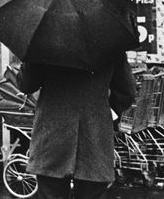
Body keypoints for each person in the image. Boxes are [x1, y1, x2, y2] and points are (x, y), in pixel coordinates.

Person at [18, 52, 137, 199]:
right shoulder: (111, 42)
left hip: (51, 138)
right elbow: (128, 92)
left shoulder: (45, 41)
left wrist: (29, 56)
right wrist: (106, 115)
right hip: (95, 140)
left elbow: (26, 85)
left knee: (50, 193)